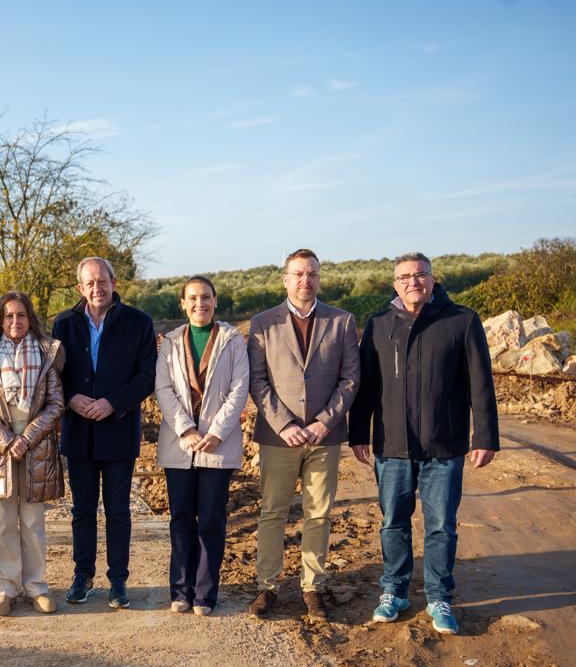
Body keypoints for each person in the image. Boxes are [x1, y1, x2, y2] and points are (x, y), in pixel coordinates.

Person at [348, 252, 498, 635]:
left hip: (443, 446)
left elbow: (481, 382)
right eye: (404, 277)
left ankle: (439, 597)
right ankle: (394, 591)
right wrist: (357, 433)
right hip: (392, 446)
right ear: (394, 284)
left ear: (433, 280)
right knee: (392, 524)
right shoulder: (380, 324)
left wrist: (485, 437)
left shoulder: (461, 320)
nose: (412, 282)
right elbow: (367, 385)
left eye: (420, 275)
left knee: (441, 527)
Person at [247, 249, 359, 621]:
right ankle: (268, 586)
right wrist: (285, 424)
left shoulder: (342, 322)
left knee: (319, 514)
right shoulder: (262, 324)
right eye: (298, 274)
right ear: (285, 278)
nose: (305, 280)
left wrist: (325, 421)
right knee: (273, 512)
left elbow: (350, 379)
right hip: (279, 436)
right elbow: (258, 381)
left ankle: (313, 587)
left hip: (324, 436)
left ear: (319, 278)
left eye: (312, 274)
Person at [51, 257, 157, 609]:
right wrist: (70, 398)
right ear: (80, 288)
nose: (97, 288)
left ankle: (118, 580)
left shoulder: (138, 323)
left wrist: (113, 402)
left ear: (114, 282)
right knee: (81, 510)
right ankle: (83, 576)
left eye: (103, 281)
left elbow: (147, 375)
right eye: (89, 283)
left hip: (118, 429)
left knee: (118, 510)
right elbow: (51, 375)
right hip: (79, 430)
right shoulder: (63, 324)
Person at [154, 276, 248, 616]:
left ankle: (206, 593)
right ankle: (181, 590)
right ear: (182, 303)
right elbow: (163, 389)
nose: (199, 304)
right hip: (180, 444)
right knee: (181, 517)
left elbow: (240, 388)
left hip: (217, 444)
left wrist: (217, 431)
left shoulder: (232, 340)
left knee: (211, 518)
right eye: (192, 298)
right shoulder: (171, 343)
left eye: (205, 297)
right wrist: (186, 429)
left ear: (215, 300)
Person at [0, 291, 65, 616]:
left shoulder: (47, 352)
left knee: (34, 522)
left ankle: (36, 587)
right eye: (8, 316)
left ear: (30, 317)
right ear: (0, 318)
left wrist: (28, 436)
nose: (15, 321)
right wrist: (8, 440)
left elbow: (55, 404)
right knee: (4, 523)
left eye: (20, 315)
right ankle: (6, 587)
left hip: (36, 446)